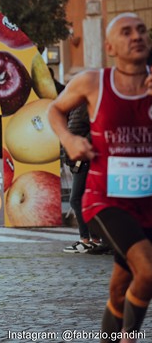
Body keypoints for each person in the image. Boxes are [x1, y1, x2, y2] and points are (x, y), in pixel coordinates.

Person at [48, 13, 152, 342]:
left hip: (147, 199)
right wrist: (69, 139)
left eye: (141, 30)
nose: (136, 36)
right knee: (148, 271)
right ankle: (128, 338)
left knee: (122, 287)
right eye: (126, 32)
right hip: (105, 197)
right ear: (109, 46)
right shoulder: (93, 82)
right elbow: (55, 110)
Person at [62, 103, 104, 254]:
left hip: (84, 159)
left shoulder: (87, 106)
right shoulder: (76, 107)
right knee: (83, 199)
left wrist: (81, 146)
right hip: (77, 159)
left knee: (76, 199)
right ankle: (93, 239)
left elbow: (95, 130)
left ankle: (87, 239)